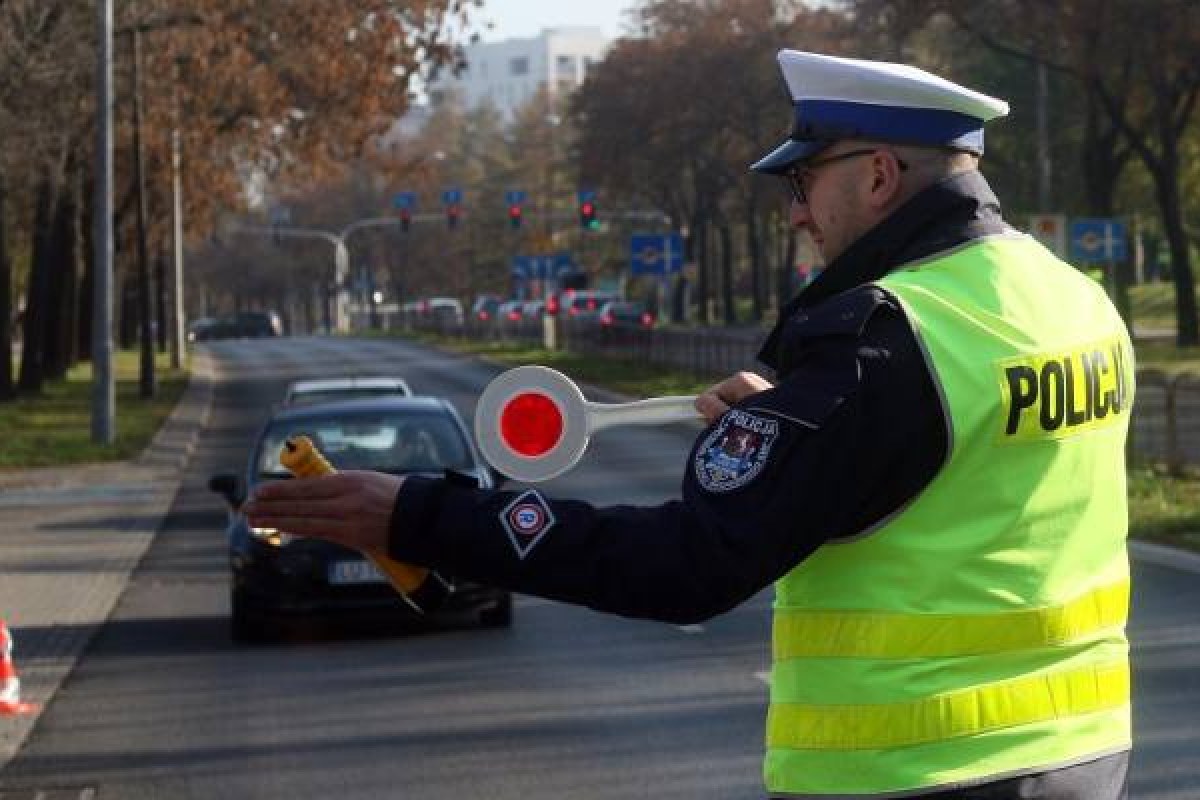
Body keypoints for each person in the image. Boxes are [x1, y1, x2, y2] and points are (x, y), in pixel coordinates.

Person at [245, 50, 1135, 799]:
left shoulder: (879, 342)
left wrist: (418, 517)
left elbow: (685, 566)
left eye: (802, 179)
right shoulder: (1071, 299)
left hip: (915, 770)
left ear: (876, 175)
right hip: (1084, 755)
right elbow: (965, 479)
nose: (793, 212)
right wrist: (800, 430)